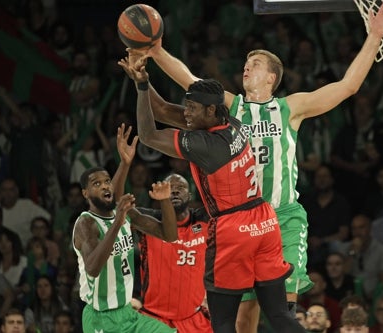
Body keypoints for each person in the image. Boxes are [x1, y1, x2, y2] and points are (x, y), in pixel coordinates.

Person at [126, 0, 383, 332]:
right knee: (244, 320)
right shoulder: (231, 107)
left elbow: (347, 86)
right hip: (241, 223)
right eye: (245, 62)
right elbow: (190, 82)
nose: (246, 66)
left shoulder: (290, 108)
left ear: (272, 77)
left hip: (281, 218)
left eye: (254, 63)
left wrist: (374, 36)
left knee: (283, 309)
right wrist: (156, 52)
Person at [119, 56, 302, 333]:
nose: (187, 114)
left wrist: (143, 88)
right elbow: (164, 110)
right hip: (265, 222)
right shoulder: (235, 123)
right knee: (279, 315)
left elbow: (147, 134)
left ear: (210, 111)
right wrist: (142, 81)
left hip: (233, 228)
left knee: (223, 322)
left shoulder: (205, 145)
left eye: (192, 109)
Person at [72, 124, 178, 333]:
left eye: (107, 181)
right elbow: (93, 268)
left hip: (127, 313)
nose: (104, 186)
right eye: (96, 184)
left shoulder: (125, 213)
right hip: (100, 318)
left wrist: (165, 201)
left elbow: (170, 235)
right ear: (85, 193)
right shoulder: (86, 223)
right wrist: (118, 221)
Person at [112, 123, 212, 332]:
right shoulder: (150, 223)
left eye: (180, 188)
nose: (174, 192)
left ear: (190, 195)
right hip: (154, 319)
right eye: (169, 188)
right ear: (159, 194)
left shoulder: (204, 220)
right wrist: (124, 164)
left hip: (193, 319)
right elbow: (118, 203)